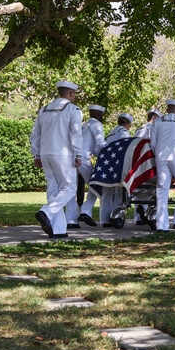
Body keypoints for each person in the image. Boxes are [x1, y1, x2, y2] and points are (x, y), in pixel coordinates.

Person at [30, 80, 83, 238]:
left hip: (46, 152)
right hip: (63, 153)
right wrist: (78, 154)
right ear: (71, 94)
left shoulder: (44, 110)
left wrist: (36, 154)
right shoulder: (73, 110)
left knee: (54, 189)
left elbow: (35, 134)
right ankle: (45, 211)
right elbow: (75, 134)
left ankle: (58, 229)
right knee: (69, 188)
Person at [149, 99, 175, 232]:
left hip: (161, 156)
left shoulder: (157, 122)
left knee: (162, 190)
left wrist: (159, 154)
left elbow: (153, 143)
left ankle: (161, 224)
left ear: (167, 109)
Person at [99, 113, 134, 226]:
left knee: (106, 193)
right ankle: (116, 215)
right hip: (117, 165)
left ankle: (104, 219)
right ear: (127, 123)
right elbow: (126, 148)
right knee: (119, 191)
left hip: (107, 164)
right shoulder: (124, 132)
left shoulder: (111, 133)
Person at [74, 104, 106, 227]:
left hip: (74, 157)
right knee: (96, 184)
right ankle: (85, 211)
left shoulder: (84, 125)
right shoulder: (96, 124)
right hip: (83, 159)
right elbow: (100, 144)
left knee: (73, 188)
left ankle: (74, 217)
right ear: (98, 114)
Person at [133, 108, 160, 224]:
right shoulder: (153, 129)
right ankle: (145, 210)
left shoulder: (139, 129)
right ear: (155, 118)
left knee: (139, 189)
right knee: (150, 189)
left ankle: (138, 216)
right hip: (150, 162)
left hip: (137, 163)